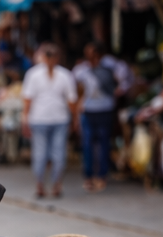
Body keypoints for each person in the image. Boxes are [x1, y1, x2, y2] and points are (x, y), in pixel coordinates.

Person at [22, 44, 78, 198]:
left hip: (59, 119)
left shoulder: (64, 75)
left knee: (58, 154)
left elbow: (72, 101)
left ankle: (56, 184)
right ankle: (40, 184)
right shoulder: (34, 75)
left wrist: (74, 119)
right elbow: (27, 100)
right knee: (41, 154)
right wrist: (25, 119)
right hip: (40, 119)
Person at [73, 41, 116, 192]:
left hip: (104, 109)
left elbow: (118, 85)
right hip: (88, 111)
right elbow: (78, 92)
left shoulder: (108, 69)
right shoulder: (81, 71)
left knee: (104, 143)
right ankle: (88, 176)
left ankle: (102, 175)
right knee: (87, 145)